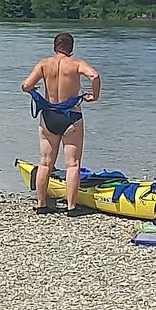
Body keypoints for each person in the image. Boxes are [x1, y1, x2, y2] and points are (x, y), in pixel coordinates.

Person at [21, 32, 102, 216]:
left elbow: (26, 86)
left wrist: (30, 88)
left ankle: (42, 205)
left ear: (54, 46)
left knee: (45, 163)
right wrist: (94, 96)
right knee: (72, 164)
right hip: (71, 116)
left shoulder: (44, 64)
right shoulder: (77, 64)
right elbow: (94, 76)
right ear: (71, 48)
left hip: (49, 116)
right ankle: (72, 207)